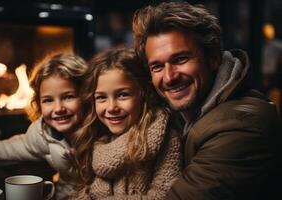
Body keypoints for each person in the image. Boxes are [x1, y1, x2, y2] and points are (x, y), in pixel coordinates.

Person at [132, 1, 282, 199]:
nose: (169, 77)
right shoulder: (182, 115)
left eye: (180, 59)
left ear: (212, 57)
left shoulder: (244, 124)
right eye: (157, 67)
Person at [0, 53, 89, 200]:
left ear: (87, 96)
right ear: (38, 103)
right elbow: (17, 146)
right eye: (48, 100)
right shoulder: (43, 133)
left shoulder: (99, 129)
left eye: (68, 97)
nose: (58, 108)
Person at [70, 46, 182, 199]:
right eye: (101, 97)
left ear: (143, 95)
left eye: (123, 95)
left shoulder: (165, 138)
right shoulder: (94, 138)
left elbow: (163, 196)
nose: (111, 107)